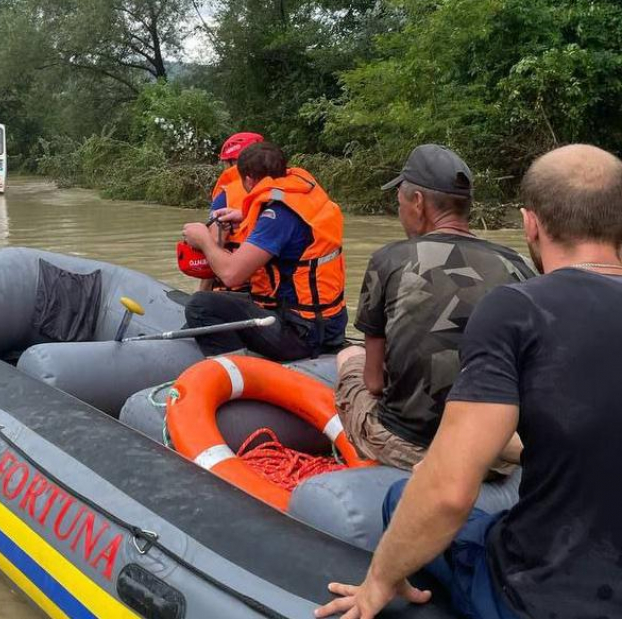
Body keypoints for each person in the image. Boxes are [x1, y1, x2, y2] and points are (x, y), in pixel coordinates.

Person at [315, 144, 622, 619]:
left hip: (537, 597)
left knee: (401, 490)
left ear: (530, 224)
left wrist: (378, 582)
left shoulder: (516, 308)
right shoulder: (513, 269)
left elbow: (449, 493)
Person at [335, 144, 534, 474]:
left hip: (409, 445)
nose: (400, 210)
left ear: (417, 202)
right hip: (495, 453)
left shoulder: (389, 259)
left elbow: (374, 383)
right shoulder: (518, 264)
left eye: (399, 201)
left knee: (348, 356)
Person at [182, 142, 347, 361]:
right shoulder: (301, 196)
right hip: (328, 325)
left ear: (249, 179)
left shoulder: (277, 217)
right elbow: (291, 228)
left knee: (200, 305)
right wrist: (244, 215)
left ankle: (238, 371)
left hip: (303, 333)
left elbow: (231, 275)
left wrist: (203, 239)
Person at [201, 132, 264, 292]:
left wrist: (201, 293)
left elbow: (213, 247)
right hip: (271, 286)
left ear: (231, 162)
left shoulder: (225, 196)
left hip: (237, 287)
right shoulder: (276, 188)